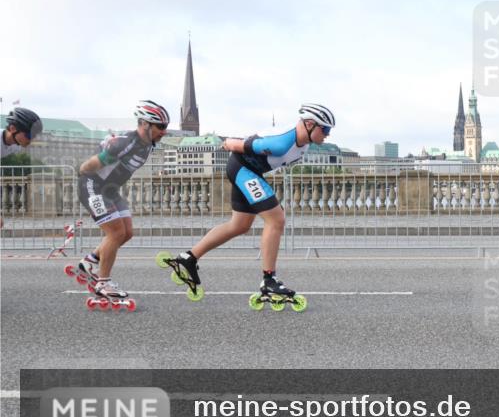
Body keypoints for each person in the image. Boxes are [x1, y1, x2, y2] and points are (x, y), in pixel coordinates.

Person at [165, 103, 334, 301]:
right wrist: (227, 142)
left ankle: (188, 258)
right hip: (242, 169)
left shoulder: (304, 144)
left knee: (239, 225)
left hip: (248, 171)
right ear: (310, 124)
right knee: (276, 219)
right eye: (326, 129)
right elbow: (239, 144)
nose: (327, 135)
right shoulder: (282, 142)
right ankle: (269, 280)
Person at [76, 100, 170, 299]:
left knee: (127, 232)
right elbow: (91, 164)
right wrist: (83, 174)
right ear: (145, 124)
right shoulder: (127, 144)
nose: (164, 131)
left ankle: (89, 261)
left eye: (165, 127)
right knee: (116, 232)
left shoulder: (148, 144)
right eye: (160, 126)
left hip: (110, 190)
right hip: (93, 187)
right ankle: (103, 283)